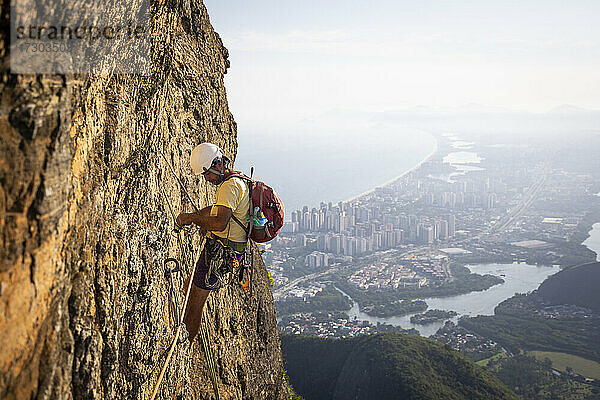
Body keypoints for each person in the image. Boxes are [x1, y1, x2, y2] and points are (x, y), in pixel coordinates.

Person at [176, 142, 250, 342]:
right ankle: (188, 332)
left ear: (217, 165)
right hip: (225, 250)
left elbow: (218, 222)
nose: (206, 179)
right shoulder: (236, 180)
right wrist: (196, 216)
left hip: (220, 254)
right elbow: (218, 210)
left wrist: (193, 219)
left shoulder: (229, 187)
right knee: (190, 288)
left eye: (206, 173)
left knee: (194, 304)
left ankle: (186, 343)